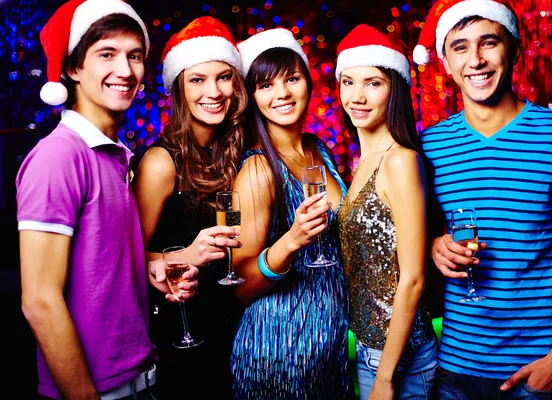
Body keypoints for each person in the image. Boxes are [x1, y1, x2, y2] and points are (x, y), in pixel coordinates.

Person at [413, 0, 552, 399]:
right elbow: (420, 239)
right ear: (445, 62)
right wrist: (434, 247)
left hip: (538, 368)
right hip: (455, 368)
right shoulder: (429, 145)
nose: (476, 60)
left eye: (488, 43)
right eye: (460, 47)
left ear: (513, 49)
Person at [16, 1, 198, 399]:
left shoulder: (116, 156)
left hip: (141, 378)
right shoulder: (60, 157)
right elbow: (40, 302)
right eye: (106, 54)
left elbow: (100, 263)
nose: (125, 70)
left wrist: (154, 266)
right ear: (72, 68)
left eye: (134, 55)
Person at [230, 28, 351, 398]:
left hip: (328, 350)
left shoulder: (318, 149)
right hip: (277, 350)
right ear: (251, 97)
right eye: (265, 86)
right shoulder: (256, 170)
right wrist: (292, 240)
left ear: (308, 83)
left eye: (292, 79)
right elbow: (239, 284)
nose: (282, 93)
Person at [132, 16, 247, 399]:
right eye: (197, 79)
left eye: (223, 77)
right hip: (184, 337)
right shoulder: (161, 163)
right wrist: (187, 255)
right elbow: (127, 258)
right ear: (179, 88)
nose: (212, 91)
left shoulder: (239, 151)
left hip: (235, 329)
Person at [335, 24, 438, 400]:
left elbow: (412, 278)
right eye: (348, 82)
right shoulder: (362, 162)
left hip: (398, 359)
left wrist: (386, 377)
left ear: (395, 88)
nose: (357, 96)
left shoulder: (401, 162)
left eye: (373, 83)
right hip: (366, 349)